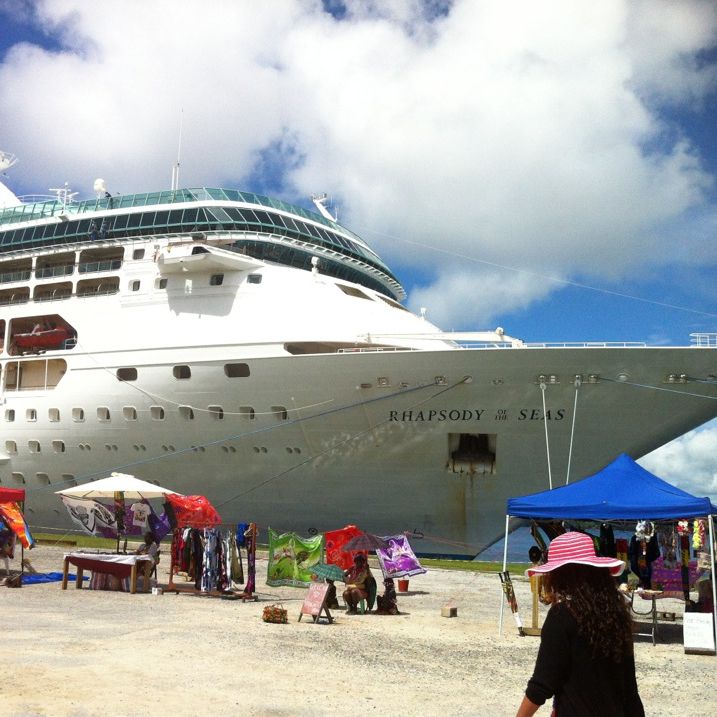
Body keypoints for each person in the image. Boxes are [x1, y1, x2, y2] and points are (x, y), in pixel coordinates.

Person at [516, 532, 644, 717]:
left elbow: (542, 684)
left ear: (562, 574)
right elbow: (629, 689)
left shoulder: (561, 616)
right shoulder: (616, 613)